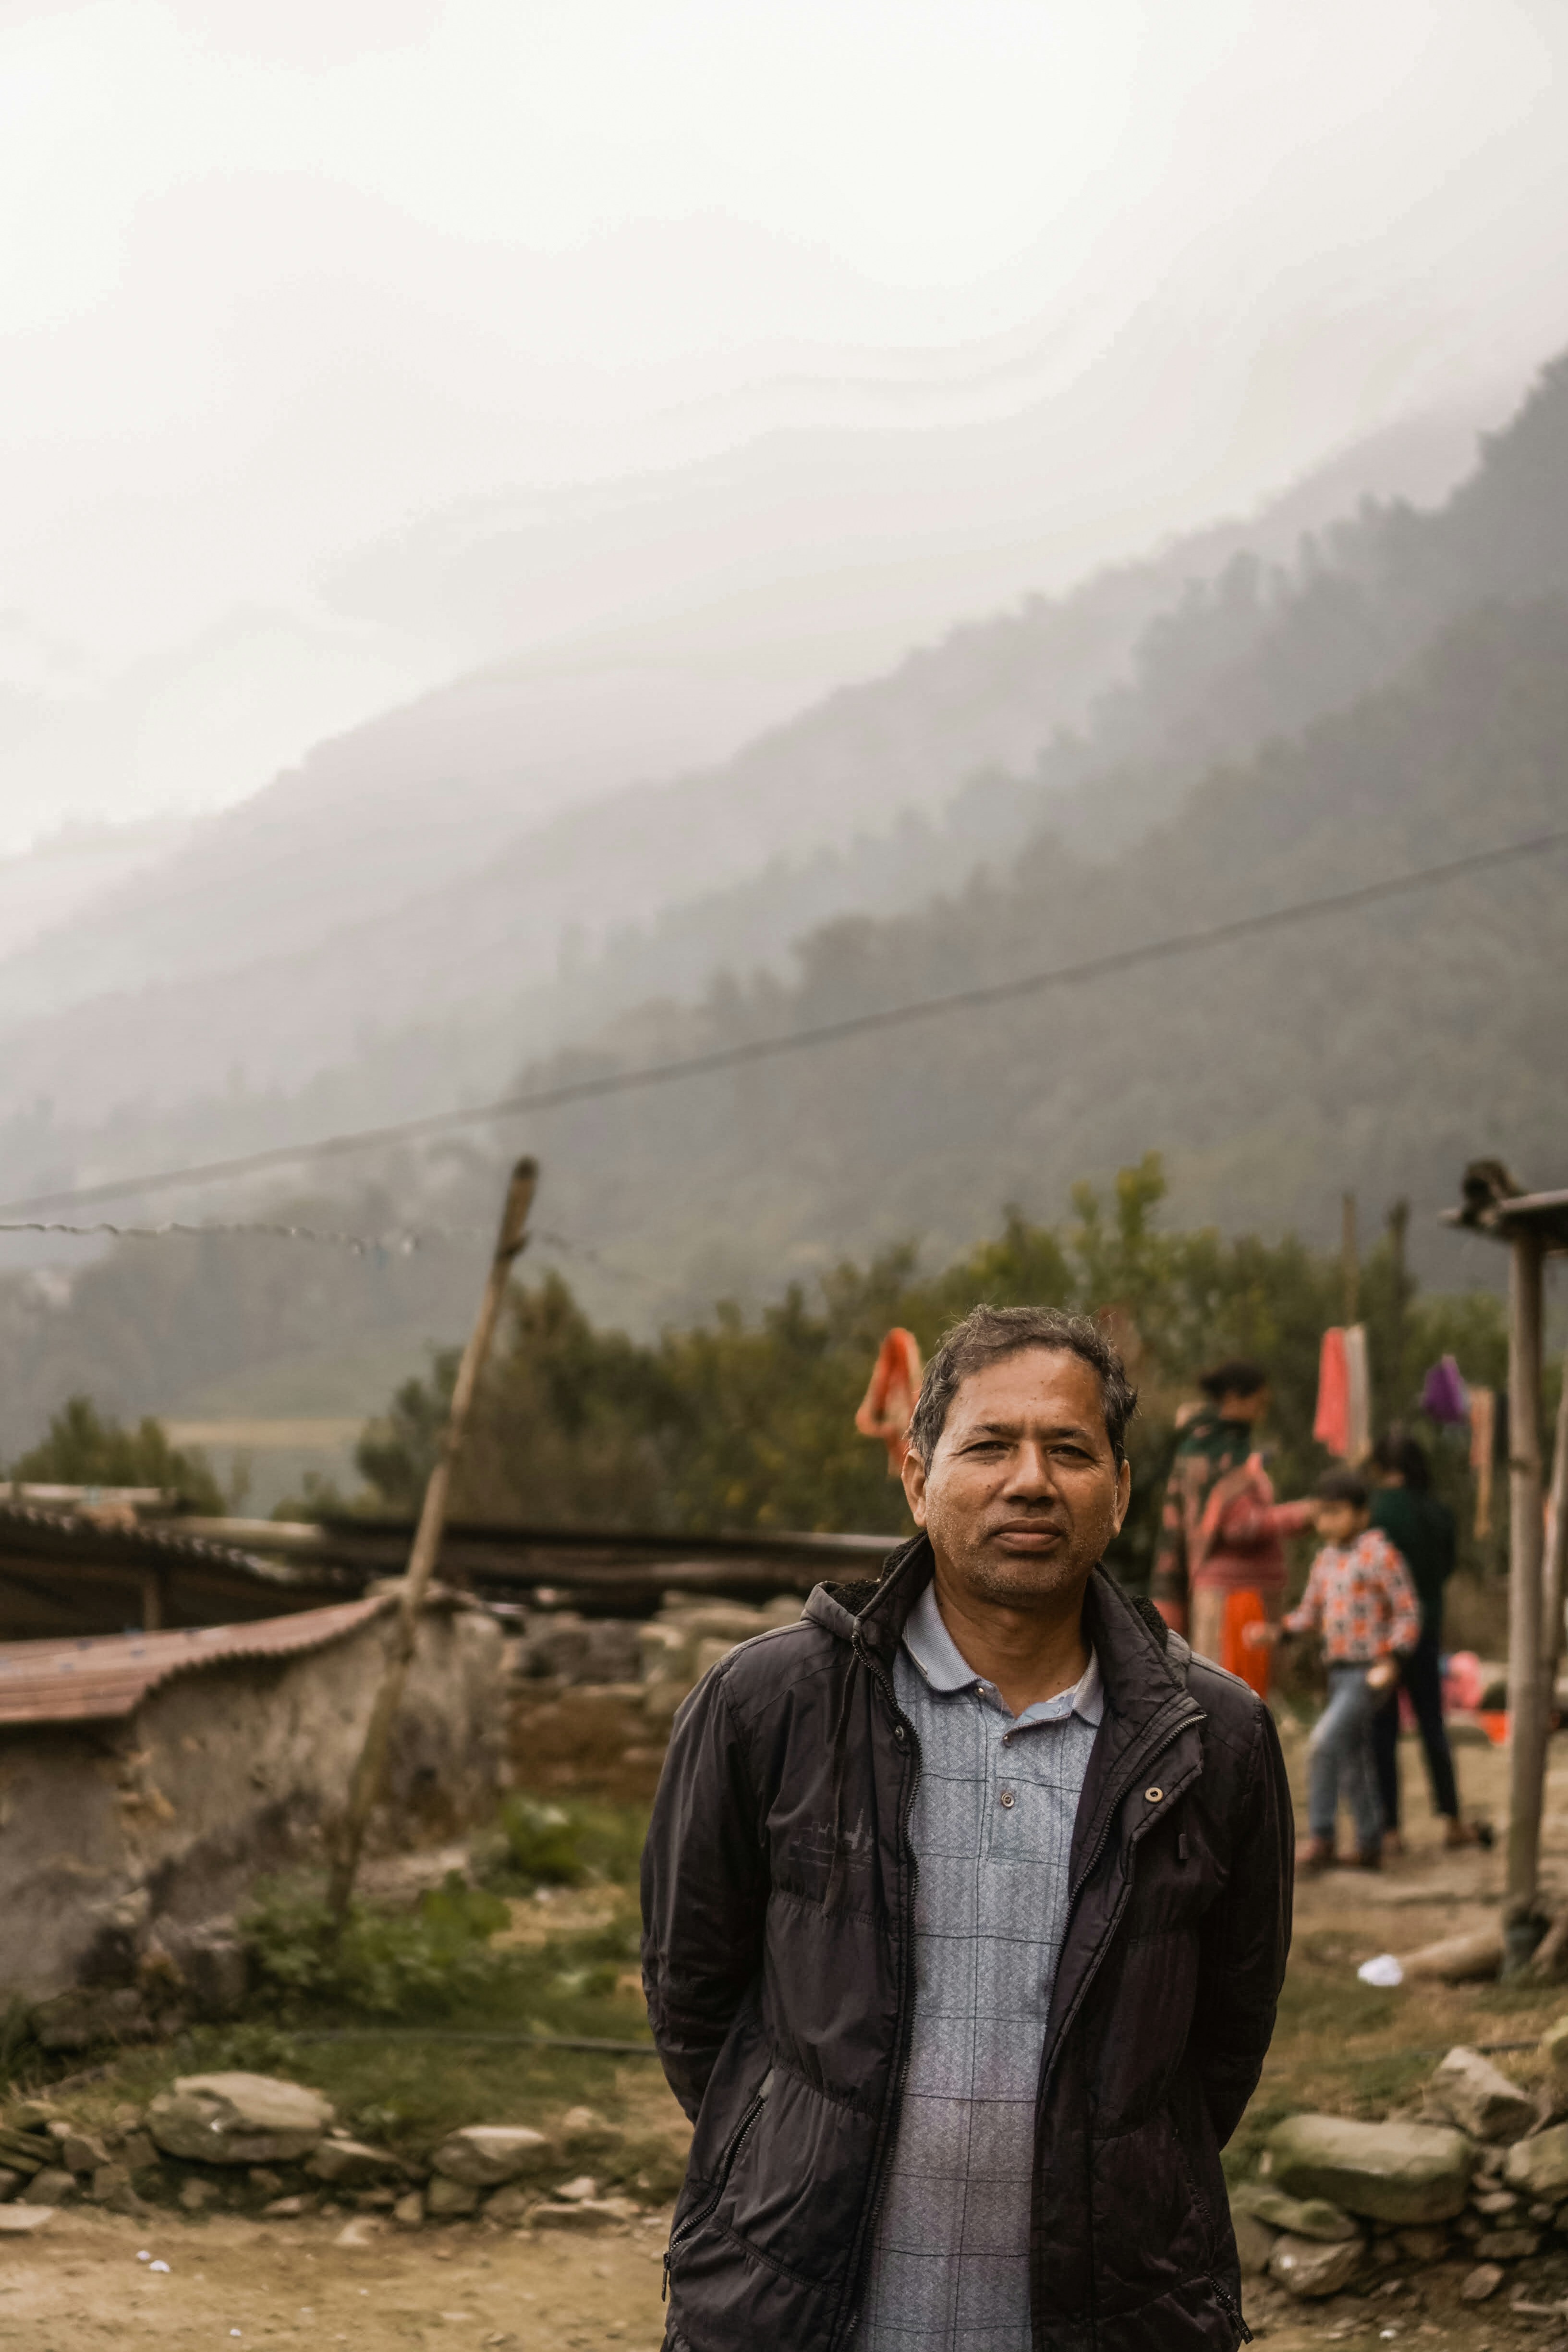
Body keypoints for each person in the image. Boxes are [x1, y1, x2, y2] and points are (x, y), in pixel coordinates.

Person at [642, 1303, 1292, 2352]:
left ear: (1119, 1492)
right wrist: (791, 2149)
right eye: (989, 1444)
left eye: (1069, 1450)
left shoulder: (1213, 1741)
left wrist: (1112, 2173)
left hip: (1112, 2316)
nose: (1030, 1480)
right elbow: (692, 1996)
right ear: (917, 1477)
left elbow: (1224, 2038)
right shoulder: (770, 1705)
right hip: (798, 2311)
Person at [1256, 1467, 1421, 1872]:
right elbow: (1309, 1614)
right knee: (1352, 1755)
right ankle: (1368, 1841)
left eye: (1336, 1511)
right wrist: (1276, 1633)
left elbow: (1408, 1612)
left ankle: (1322, 1836)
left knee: (1323, 1743)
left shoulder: (1380, 1555)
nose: (1327, 1520)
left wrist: (1394, 1657)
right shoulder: (1326, 1559)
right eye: (1322, 1512)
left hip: (1368, 1671)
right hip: (1338, 1671)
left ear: (1361, 1515)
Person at [1151, 1358, 1315, 1665]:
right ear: (1233, 1398)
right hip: (1231, 1596)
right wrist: (1304, 1514)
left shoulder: (1229, 1447)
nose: (1261, 1413)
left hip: (1242, 1591)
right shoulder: (1215, 1451)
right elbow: (1238, 1526)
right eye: (1258, 1403)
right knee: (1230, 1695)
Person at [1367, 1431, 1480, 1852]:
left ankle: (1390, 1829)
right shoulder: (1439, 1512)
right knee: (1433, 1724)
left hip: (1381, 1637)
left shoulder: (1374, 1512)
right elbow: (1447, 1566)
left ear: (1381, 1467)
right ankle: (1452, 1820)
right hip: (1427, 1629)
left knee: (1383, 1729)